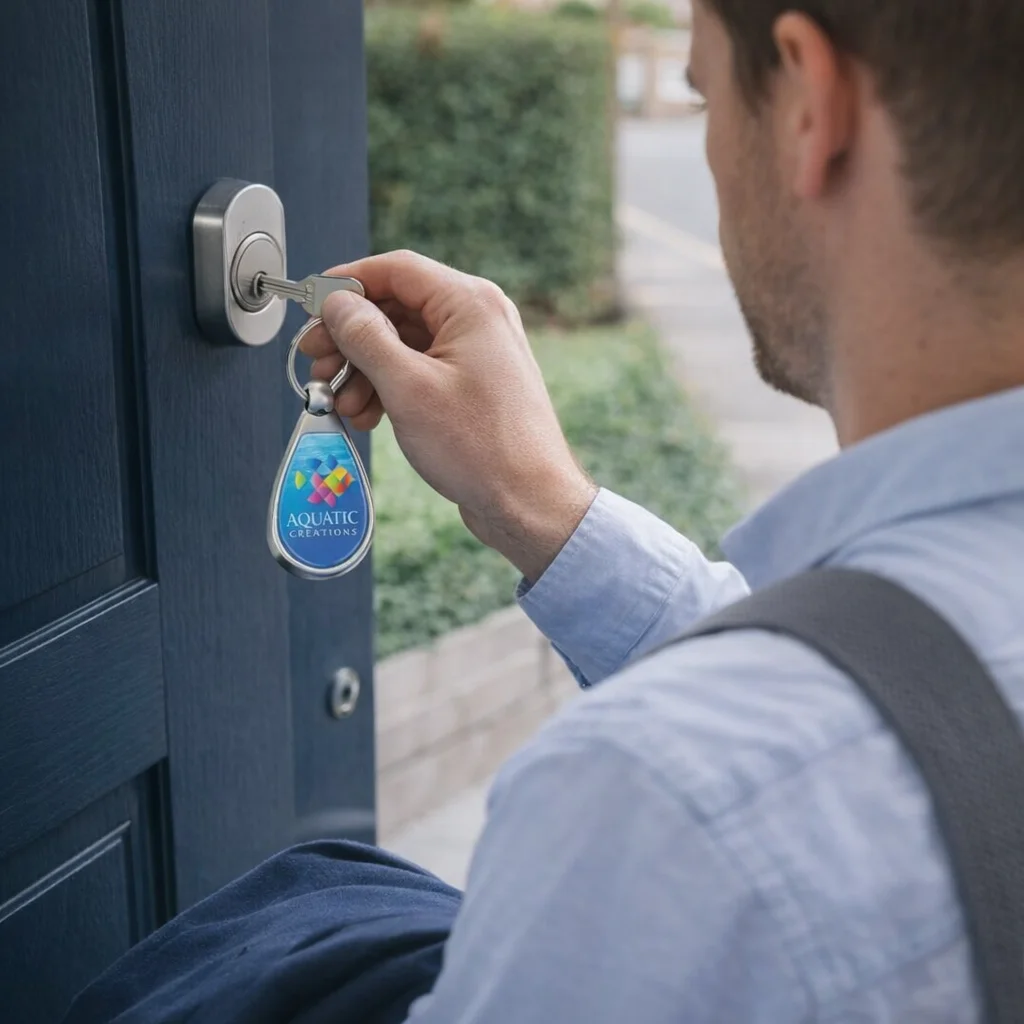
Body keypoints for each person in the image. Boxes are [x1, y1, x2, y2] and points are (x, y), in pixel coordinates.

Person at [298, 0, 1024, 1020]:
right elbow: (928, 712)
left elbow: (795, 758)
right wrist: (538, 502)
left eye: (702, 94)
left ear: (810, 106)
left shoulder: (664, 807)